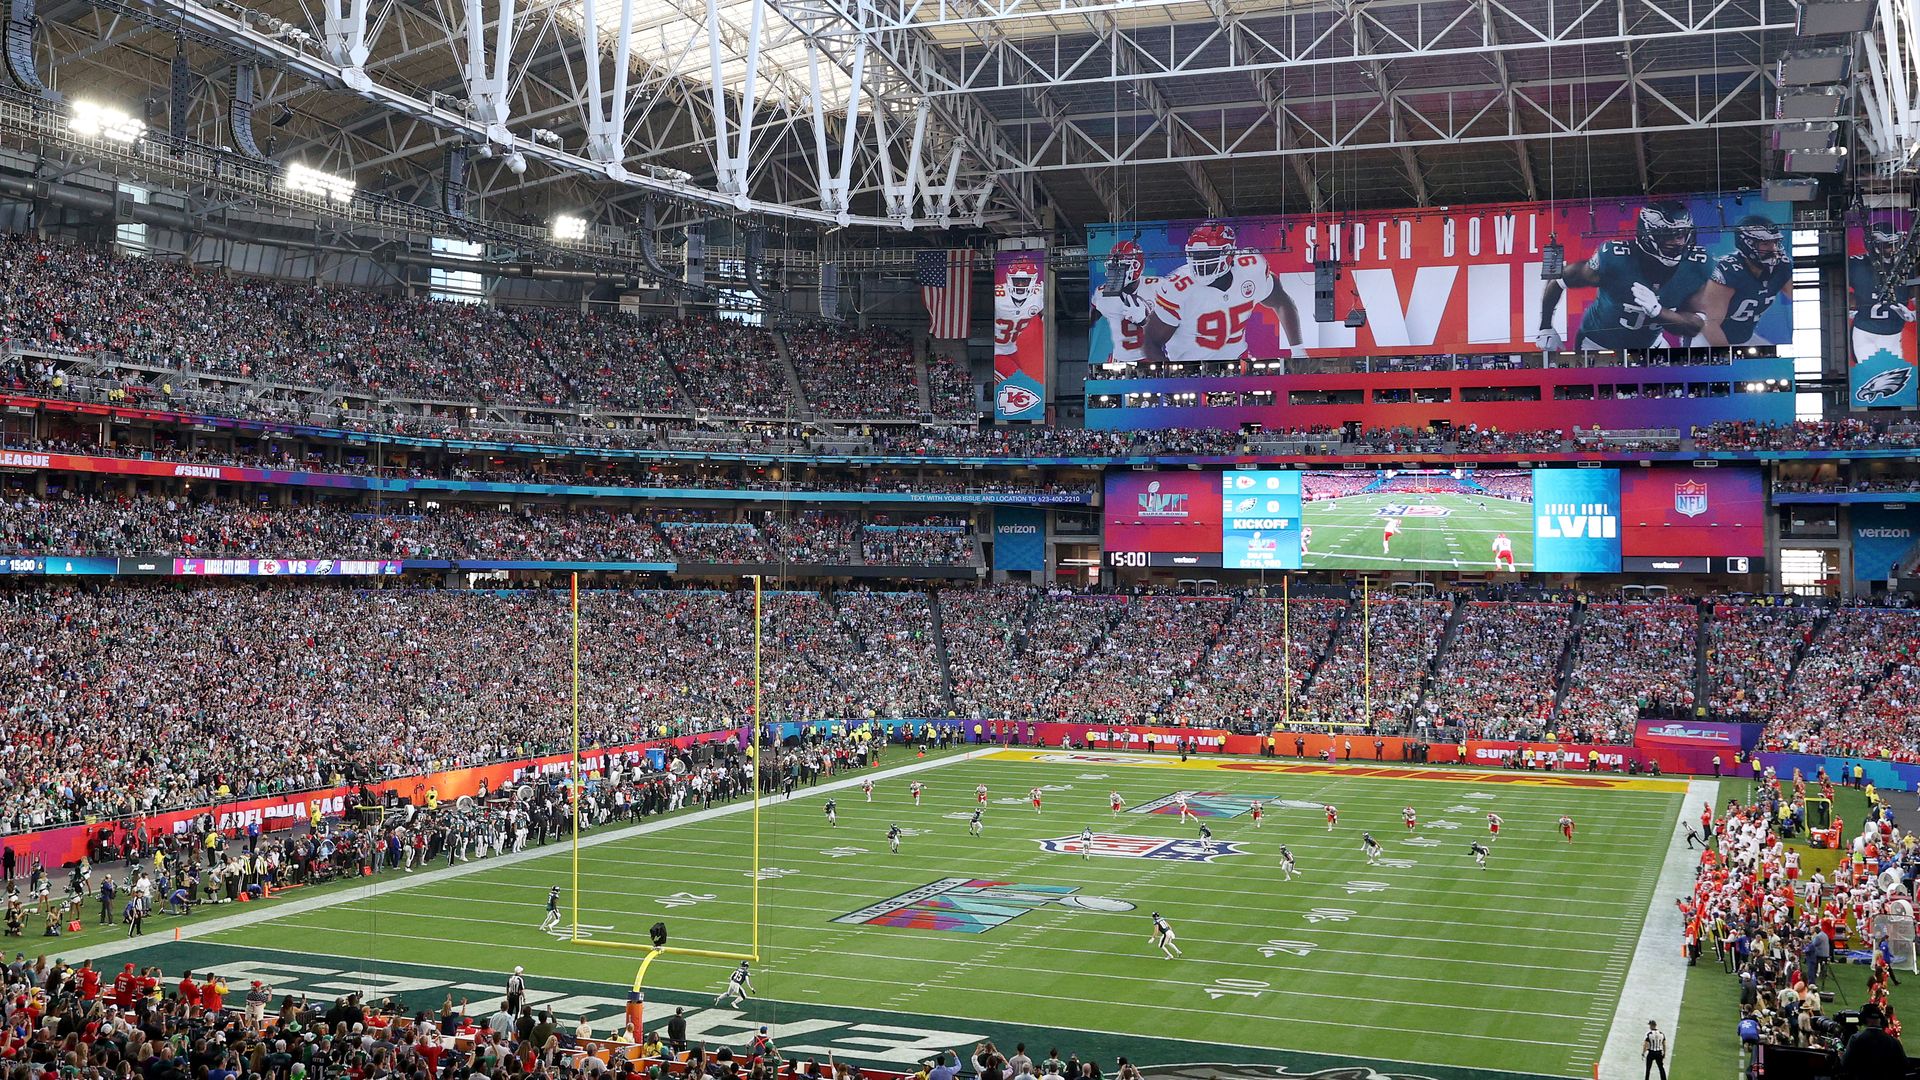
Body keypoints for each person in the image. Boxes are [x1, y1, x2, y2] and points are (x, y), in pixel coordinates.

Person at [1840, 1002, 1904, 1078]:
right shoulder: (1893, 1042)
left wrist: (1841, 1055)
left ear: (1863, 1020)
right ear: (1881, 1020)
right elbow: (1904, 1065)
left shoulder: (1856, 1039)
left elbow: (1845, 1064)